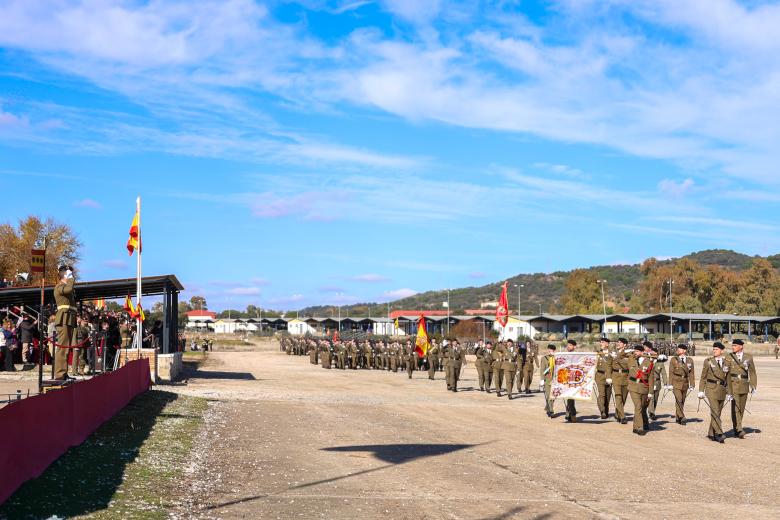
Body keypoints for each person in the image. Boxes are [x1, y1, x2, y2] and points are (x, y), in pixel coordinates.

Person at [725, 339, 757, 439]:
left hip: (744, 384)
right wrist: (727, 390)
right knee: (736, 407)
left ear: (741, 346)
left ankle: (736, 428)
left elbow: (752, 373)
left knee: (741, 408)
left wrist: (753, 386)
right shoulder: (728, 356)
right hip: (733, 384)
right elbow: (726, 374)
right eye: (732, 345)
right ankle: (739, 428)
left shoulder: (748, 357)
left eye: (735, 345)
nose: (732, 347)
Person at [698, 342, 728, 443]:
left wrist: (730, 393)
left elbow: (728, 379)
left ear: (722, 351)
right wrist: (701, 390)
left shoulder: (727, 362)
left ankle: (711, 433)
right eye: (714, 349)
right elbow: (703, 377)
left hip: (722, 390)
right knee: (715, 411)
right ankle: (719, 433)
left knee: (718, 412)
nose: (714, 351)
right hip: (711, 388)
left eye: (717, 349)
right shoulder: (708, 361)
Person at [53, 265, 77, 380]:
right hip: (63, 319)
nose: (73, 276)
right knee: (63, 348)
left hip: (69, 319)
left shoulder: (66, 286)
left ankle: (64, 373)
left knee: (66, 348)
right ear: (65, 274)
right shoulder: (59, 287)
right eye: (70, 273)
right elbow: (68, 289)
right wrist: (70, 278)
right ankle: (59, 374)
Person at [627, 344, 655, 435]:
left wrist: (651, 391)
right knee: (638, 406)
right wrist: (631, 351)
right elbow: (623, 355)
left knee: (643, 407)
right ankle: (640, 427)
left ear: (643, 352)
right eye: (635, 351)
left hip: (644, 387)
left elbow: (651, 378)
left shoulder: (648, 362)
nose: (635, 353)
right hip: (633, 386)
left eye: (637, 351)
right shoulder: (631, 359)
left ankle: (637, 426)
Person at [667, 344, 695, 425]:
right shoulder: (673, 359)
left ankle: (677, 416)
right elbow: (671, 372)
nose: (678, 350)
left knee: (682, 400)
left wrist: (692, 384)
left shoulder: (690, 360)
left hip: (685, 382)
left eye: (681, 348)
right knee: (678, 399)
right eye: (678, 348)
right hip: (676, 382)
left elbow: (691, 373)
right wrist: (670, 384)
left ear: (685, 350)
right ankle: (682, 416)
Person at [606, 337, 630, 424]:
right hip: (615, 376)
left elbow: (627, 365)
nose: (618, 344)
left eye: (620, 342)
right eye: (618, 342)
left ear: (625, 345)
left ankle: (618, 413)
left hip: (626, 377)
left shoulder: (628, 354)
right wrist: (608, 377)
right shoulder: (612, 353)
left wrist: (618, 357)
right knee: (618, 396)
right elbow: (608, 365)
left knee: (623, 398)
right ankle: (623, 416)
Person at [646, 343, 667, 421]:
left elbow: (663, 373)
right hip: (649, 383)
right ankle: (651, 412)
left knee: (655, 399)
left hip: (657, 383)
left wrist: (666, 383)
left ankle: (652, 411)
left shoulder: (660, 363)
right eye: (652, 354)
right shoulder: (648, 361)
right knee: (651, 398)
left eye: (655, 354)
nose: (653, 355)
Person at [595, 337, 612, 419]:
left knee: (608, 396)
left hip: (609, 377)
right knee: (602, 395)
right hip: (599, 376)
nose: (601, 343)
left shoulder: (612, 354)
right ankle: (602, 411)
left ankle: (606, 410)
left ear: (607, 344)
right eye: (600, 342)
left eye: (602, 342)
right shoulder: (597, 353)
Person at [563, 340, 578, 422]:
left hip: (574, 379)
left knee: (571, 397)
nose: (568, 346)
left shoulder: (578, 356)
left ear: (574, 347)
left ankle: (572, 414)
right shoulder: (564, 355)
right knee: (568, 397)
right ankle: (569, 414)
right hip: (565, 378)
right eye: (568, 345)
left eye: (571, 345)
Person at [540, 344, 556, 418]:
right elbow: (542, 369)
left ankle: (548, 408)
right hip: (547, 379)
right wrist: (542, 379)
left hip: (555, 380)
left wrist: (555, 357)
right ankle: (551, 410)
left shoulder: (557, 358)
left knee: (553, 396)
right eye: (549, 349)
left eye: (552, 350)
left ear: (554, 351)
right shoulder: (544, 358)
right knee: (550, 396)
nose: (550, 351)